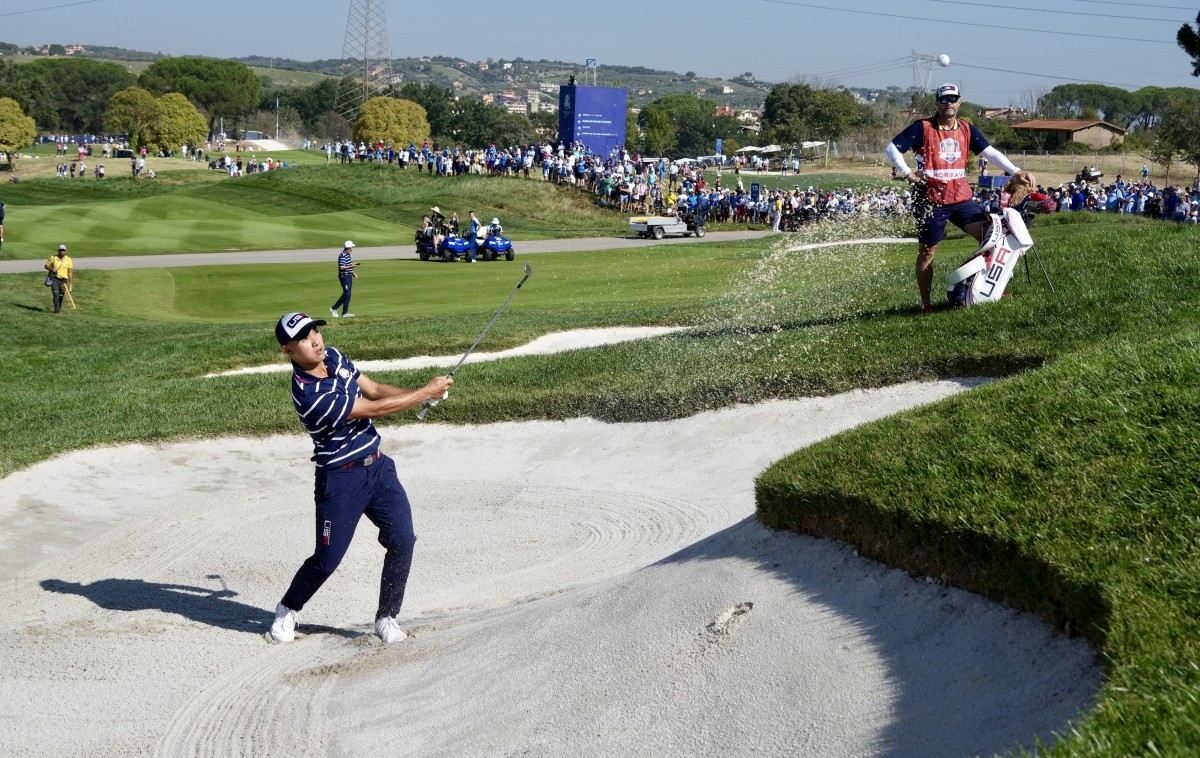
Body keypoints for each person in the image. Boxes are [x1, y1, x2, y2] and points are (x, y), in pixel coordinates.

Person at [269, 312, 454, 645]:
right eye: (304, 338)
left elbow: (375, 390)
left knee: (403, 539)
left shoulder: (335, 357)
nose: (315, 341)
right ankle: (288, 608)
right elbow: (372, 409)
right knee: (326, 560)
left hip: (379, 468)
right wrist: (424, 390)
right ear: (288, 350)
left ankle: (386, 617)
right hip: (341, 481)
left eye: (315, 332)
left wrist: (422, 394)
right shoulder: (309, 395)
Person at [887, 83, 1036, 314]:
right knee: (928, 251)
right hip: (929, 199)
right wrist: (907, 172)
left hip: (961, 197)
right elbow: (892, 148)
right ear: (937, 103)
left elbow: (990, 152)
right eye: (944, 99)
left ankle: (987, 287)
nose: (949, 103)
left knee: (993, 238)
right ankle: (926, 302)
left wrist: (1016, 171)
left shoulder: (967, 128)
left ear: (959, 102)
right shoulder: (923, 127)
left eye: (953, 99)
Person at [329, 240, 359, 319]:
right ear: (349, 247)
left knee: (348, 294)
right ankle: (334, 308)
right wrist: (352, 266)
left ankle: (345, 313)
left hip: (348, 276)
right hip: (344, 276)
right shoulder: (343, 255)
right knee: (347, 294)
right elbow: (342, 267)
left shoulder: (348, 254)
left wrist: (352, 273)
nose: (352, 248)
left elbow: (347, 265)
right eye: (352, 247)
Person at [44, 244, 73, 314]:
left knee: (61, 296)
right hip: (54, 279)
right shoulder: (53, 258)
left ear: (66, 251)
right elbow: (46, 266)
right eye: (60, 250)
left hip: (63, 281)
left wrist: (71, 283)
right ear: (58, 251)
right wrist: (51, 268)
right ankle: (56, 311)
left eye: (63, 250)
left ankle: (59, 307)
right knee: (56, 295)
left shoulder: (69, 260)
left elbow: (70, 272)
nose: (62, 252)